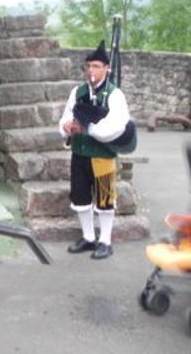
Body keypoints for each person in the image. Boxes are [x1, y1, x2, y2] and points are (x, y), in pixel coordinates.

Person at [59, 40, 131, 260]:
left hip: (102, 156)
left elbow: (117, 126)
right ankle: (89, 237)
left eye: (96, 66)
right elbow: (65, 117)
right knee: (80, 197)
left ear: (107, 68)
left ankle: (105, 241)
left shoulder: (115, 95)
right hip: (79, 154)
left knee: (105, 199)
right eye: (88, 66)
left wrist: (89, 129)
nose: (91, 70)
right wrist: (66, 127)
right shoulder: (77, 92)